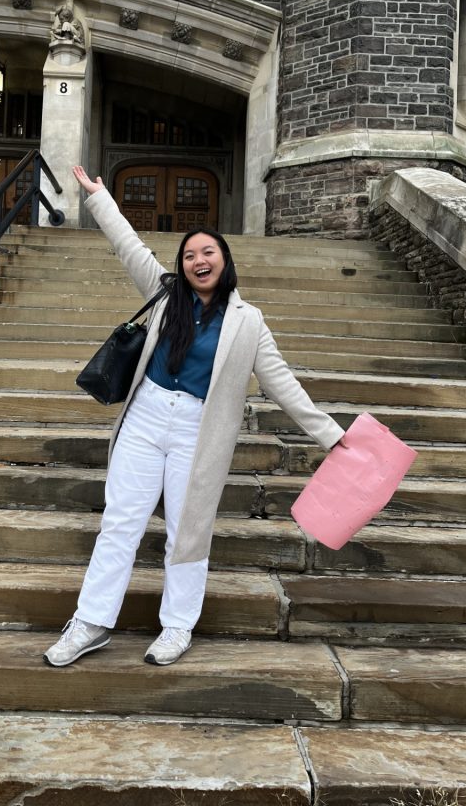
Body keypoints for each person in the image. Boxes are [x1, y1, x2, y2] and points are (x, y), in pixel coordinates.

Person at [43, 166, 346, 668]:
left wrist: (331, 436)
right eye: (189, 255)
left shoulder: (247, 322)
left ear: (225, 260)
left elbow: (281, 382)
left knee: (188, 531)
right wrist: (99, 200)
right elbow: (130, 247)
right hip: (144, 417)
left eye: (208, 252)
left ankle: (177, 626)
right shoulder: (166, 295)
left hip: (197, 431)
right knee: (120, 523)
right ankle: (91, 622)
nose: (198, 260)